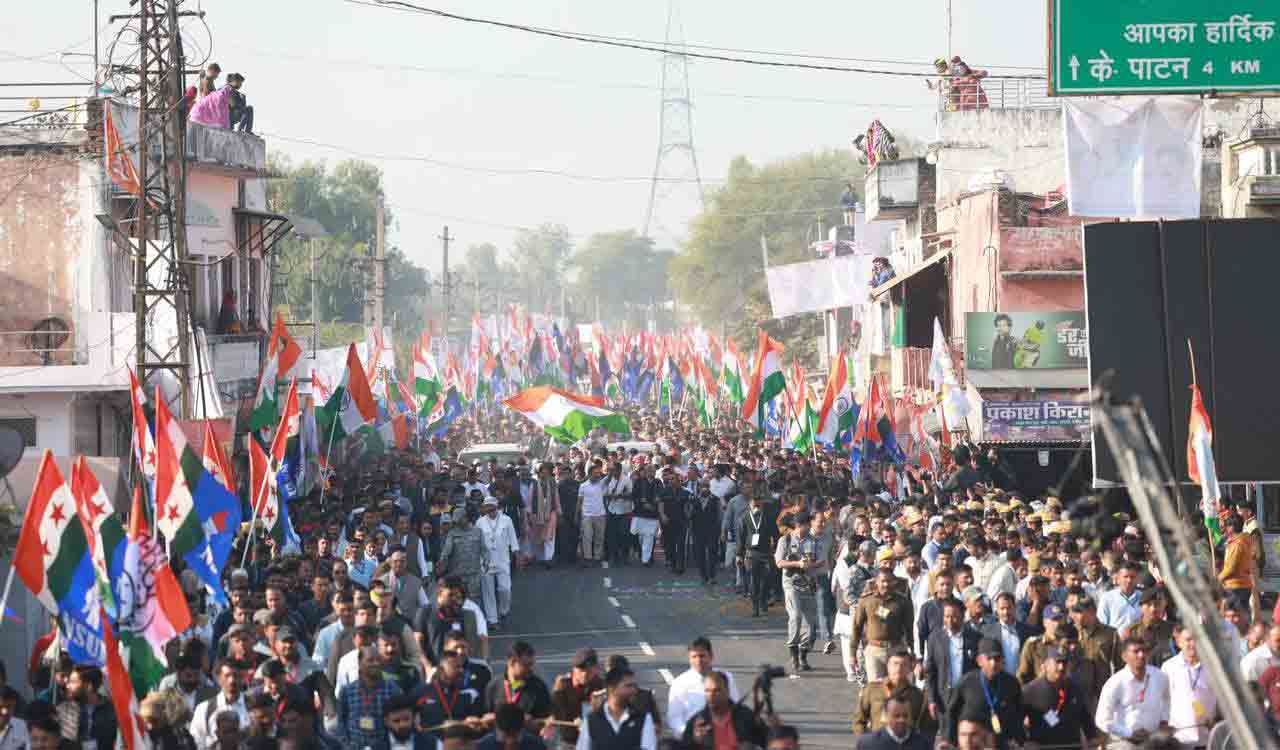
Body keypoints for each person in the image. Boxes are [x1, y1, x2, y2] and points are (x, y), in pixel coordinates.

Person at [945, 639, 1025, 749]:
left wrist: (1018, 740)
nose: (993, 663)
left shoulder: (1011, 684)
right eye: (989, 658)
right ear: (979, 661)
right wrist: (951, 741)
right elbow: (951, 713)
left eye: (997, 659)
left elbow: (1018, 715)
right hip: (974, 744)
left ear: (1002, 660)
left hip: (1002, 744)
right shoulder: (966, 682)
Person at [1094, 638, 1169, 750]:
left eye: (1144, 651)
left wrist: (1164, 720)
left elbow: (1167, 700)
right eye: (1136, 651)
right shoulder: (1115, 683)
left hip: (1153, 742)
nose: (1141, 655)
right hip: (1123, 744)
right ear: (1124, 656)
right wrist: (1128, 733)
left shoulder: (1159, 676)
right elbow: (1101, 720)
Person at [776, 511, 827, 673]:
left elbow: (822, 560)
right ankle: (793, 652)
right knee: (796, 615)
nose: (805, 528)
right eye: (803, 525)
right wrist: (797, 564)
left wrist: (811, 564)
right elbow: (779, 562)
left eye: (806, 525)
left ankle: (804, 654)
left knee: (811, 625)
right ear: (798, 525)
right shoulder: (785, 540)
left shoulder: (814, 541)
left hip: (809, 584)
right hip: (791, 583)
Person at [1021, 647, 1096, 749]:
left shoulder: (1075, 689)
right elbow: (1016, 722)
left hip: (1072, 746)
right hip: (1043, 747)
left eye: (1064, 662)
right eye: (1057, 662)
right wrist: (1025, 742)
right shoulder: (1030, 691)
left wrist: (1093, 738)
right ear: (1046, 664)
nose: (1061, 667)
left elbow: (1085, 717)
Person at [924, 599, 979, 734]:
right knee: (948, 738)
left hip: (968, 700)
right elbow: (930, 673)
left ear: (962, 615)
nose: (950, 621)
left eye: (954, 616)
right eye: (947, 616)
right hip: (945, 699)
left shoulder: (975, 638)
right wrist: (931, 699)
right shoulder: (934, 639)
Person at [665, 638, 739, 737]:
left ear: (711, 656)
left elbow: (735, 707)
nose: (698, 660)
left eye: (702, 656)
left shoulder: (726, 678)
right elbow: (674, 717)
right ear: (689, 658)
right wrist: (689, 733)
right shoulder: (680, 683)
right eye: (694, 657)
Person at [853, 648, 931, 737]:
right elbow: (859, 720)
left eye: (904, 664)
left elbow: (926, 726)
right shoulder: (872, 690)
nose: (899, 668)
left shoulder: (917, 695)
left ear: (910, 668)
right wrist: (865, 741)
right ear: (888, 666)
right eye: (895, 664)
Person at [851, 569, 913, 683]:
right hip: (874, 651)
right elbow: (856, 627)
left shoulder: (902, 601)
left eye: (889, 581)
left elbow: (909, 628)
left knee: (898, 687)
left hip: (896, 649)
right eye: (883, 581)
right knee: (877, 690)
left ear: (894, 582)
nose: (886, 584)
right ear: (876, 582)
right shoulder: (866, 600)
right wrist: (852, 654)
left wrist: (912, 652)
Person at [681, 671, 768, 750]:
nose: (711, 696)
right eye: (707, 691)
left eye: (716, 691)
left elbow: (768, 740)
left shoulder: (745, 716)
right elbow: (684, 746)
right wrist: (696, 741)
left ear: (727, 691)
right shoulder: (696, 722)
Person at [337, 647, 401, 750]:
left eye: (378, 660)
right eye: (370, 660)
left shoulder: (393, 690)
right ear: (359, 663)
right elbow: (341, 722)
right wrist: (346, 746)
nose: (376, 663)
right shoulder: (347, 691)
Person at [576, 667, 655, 750]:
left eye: (634, 686)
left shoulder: (644, 719)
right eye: (628, 686)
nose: (634, 690)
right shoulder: (591, 721)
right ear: (612, 688)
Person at [1162, 627, 1215, 748]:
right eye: (1188, 640)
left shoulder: (1213, 667)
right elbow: (1162, 699)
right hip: (1178, 737)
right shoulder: (1169, 667)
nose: (1193, 644)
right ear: (1179, 643)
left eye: (1196, 639)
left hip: (1206, 737)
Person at [485, 642, 553, 730]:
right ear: (511, 662)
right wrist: (488, 719)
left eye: (532, 665)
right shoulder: (494, 686)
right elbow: (484, 717)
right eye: (526, 665)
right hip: (499, 739)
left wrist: (536, 724)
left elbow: (546, 719)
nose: (531, 669)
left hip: (527, 740)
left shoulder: (538, 686)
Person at [476, 497, 521, 630]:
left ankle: (503, 611)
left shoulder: (506, 520)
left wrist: (517, 555)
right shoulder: (480, 522)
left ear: (496, 507)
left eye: (491, 506)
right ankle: (492, 620)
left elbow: (513, 539)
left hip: (503, 560)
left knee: (505, 588)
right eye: (487, 506)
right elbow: (477, 542)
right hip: (485, 561)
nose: (489, 509)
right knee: (488, 592)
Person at [738, 489, 780, 618]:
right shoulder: (744, 517)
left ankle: (763, 598)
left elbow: (776, 534)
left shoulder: (768, 516)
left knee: (768, 578)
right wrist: (739, 554)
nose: (756, 504)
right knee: (753, 581)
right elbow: (741, 536)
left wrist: (777, 549)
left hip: (766, 552)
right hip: (751, 553)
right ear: (750, 503)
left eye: (759, 502)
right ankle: (755, 606)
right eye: (754, 502)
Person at [191, 662, 249, 750]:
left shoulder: (251, 706)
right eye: (227, 676)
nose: (232, 680)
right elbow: (196, 740)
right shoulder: (204, 709)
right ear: (219, 679)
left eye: (236, 676)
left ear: (242, 678)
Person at [854, 692, 931, 750]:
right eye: (896, 716)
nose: (901, 720)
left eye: (905, 715)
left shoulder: (922, 743)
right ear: (885, 716)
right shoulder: (868, 744)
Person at [1220, 514, 1256, 615]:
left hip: (1235, 585)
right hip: (1243, 583)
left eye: (1226, 526)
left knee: (1236, 615)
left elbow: (1231, 568)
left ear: (1231, 527)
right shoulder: (1245, 540)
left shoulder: (1237, 544)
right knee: (1242, 614)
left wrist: (1218, 579)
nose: (1225, 529)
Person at [658, 469, 691, 574]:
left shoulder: (685, 492)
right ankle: (672, 564)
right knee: (670, 544)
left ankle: (680, 566)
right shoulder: (664, 491)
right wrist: (662, 515)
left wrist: (688, 517)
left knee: (681, 544)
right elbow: (660, 504)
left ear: (678, 480)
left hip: (681, 522)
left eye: (673, 479)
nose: (671, 480)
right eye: (670, 479)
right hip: (668, 522)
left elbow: (689, 506)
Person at [630, 464, 661, 567]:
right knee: (640, 537)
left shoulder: (658, 482)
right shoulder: (639, 482)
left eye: (653, 471)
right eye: (649, 471)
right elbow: (634, 496)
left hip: (652, 515)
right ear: (646, 472)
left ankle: (645, 560)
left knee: (649, 537)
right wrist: (643, 504)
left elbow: (661, 495)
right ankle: (643, 554)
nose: (651, 473)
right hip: (640, 514)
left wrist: (656, 502)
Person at [578, 464, 608, 567]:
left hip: (600, 514)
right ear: (589, 474)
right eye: (595, 473)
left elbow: (609, 477)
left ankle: (597, 557)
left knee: (599, 537)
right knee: (587, 537)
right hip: (587, 515)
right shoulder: (583, 486)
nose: (597, 475)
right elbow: (579, 502)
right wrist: (576, 515)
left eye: (598, 473)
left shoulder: (601, 484)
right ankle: (588, 558)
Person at [477, 704, 545, 750]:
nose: (509, 742)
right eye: (505, 736)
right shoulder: (482, 746)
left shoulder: (537, 747)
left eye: (514, 736)